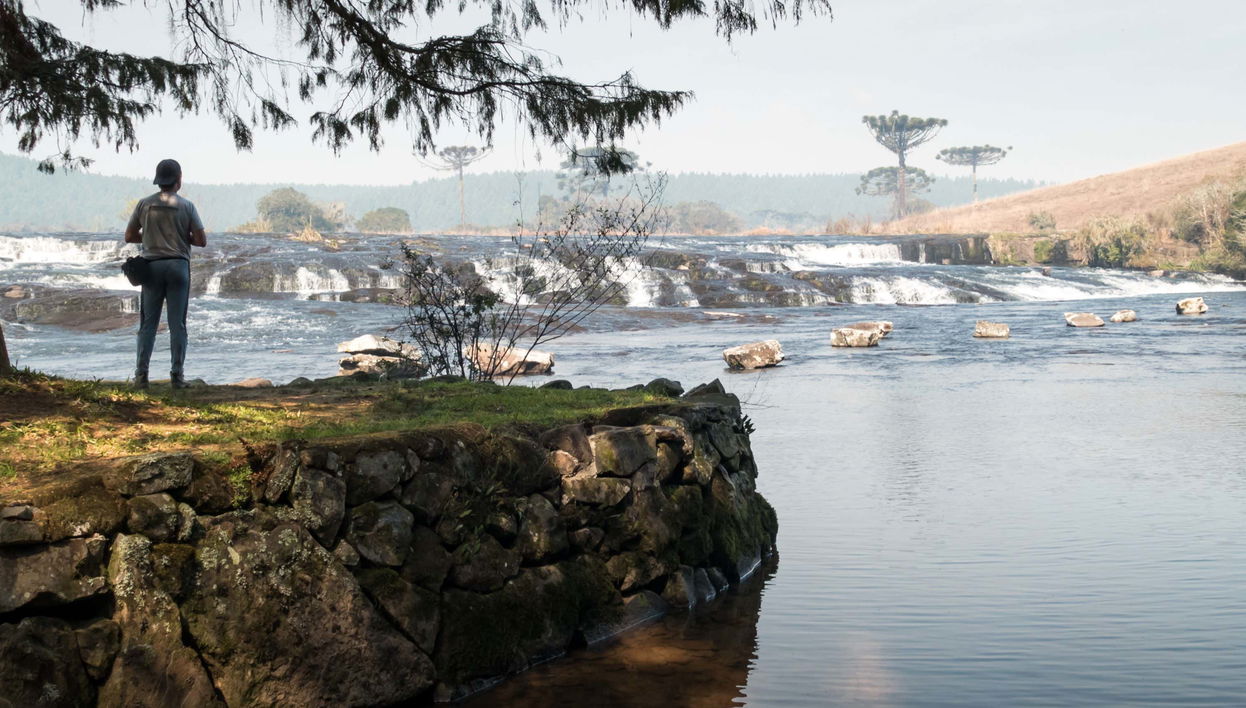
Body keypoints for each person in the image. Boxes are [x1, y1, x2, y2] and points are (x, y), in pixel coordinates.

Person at [123, 159, 207, 389]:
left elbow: (129, 235)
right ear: (178, 180)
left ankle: (141, 377)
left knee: (148, 325)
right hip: (178, 267)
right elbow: (201, 240)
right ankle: (177, 377)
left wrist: (150, 237)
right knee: (177, 324)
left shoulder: (144, 204)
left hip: (151, 267)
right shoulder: (187, 206)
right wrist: (180, 238)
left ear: (158, 180)